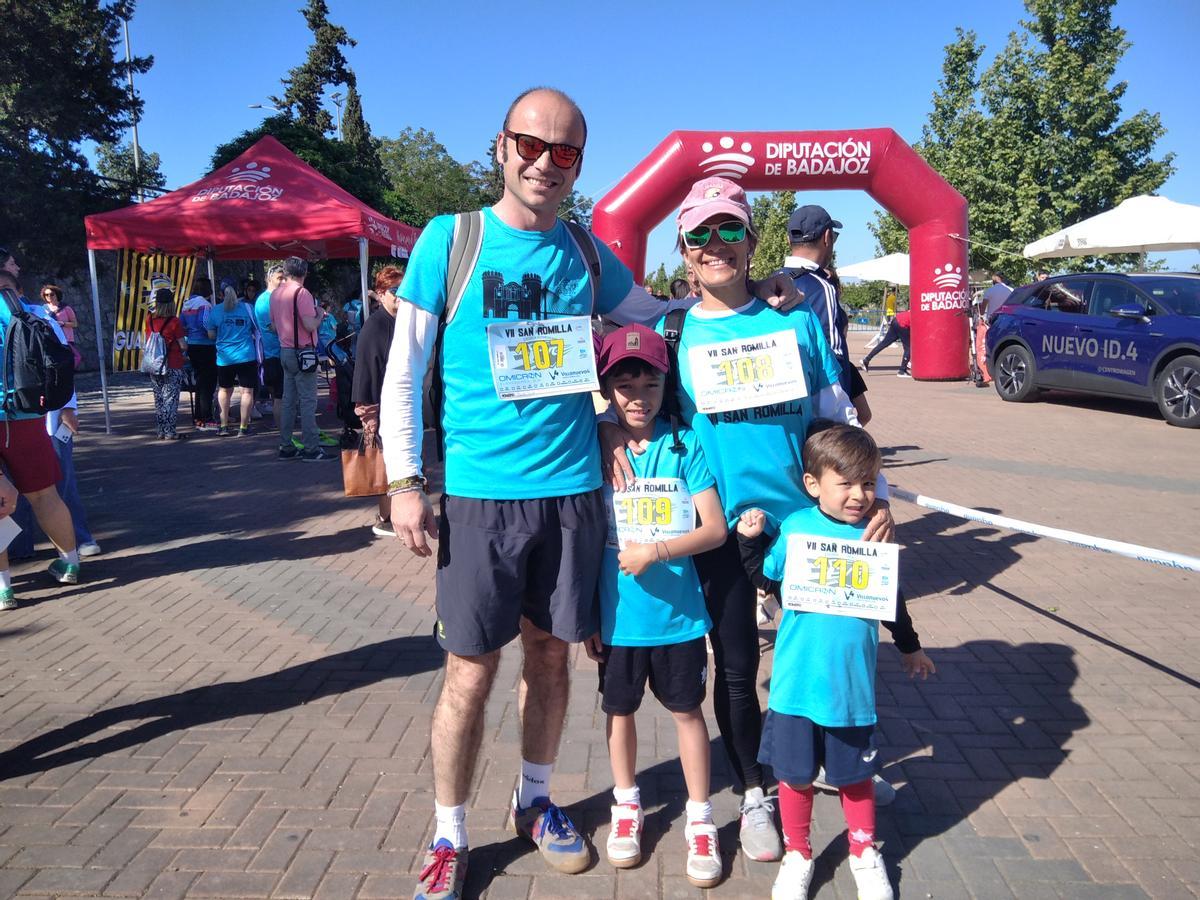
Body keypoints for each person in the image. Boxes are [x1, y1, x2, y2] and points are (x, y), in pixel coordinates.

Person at [379, 89, 800, 900]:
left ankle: (536, 800)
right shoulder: (450, 241)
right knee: (469, 671)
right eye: (531, 146)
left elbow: (656, 311)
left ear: (578, 166)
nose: (544, 162)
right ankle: (447, 829)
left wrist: (749, 292)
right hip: (481, 496)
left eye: (564, 152)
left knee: (550, 658)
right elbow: (406, 372)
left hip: (576, 493)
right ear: (501, 146)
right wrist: (404, 481)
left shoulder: (583, 251)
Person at [736, 424, 935, 900]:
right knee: (794, 777)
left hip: (851, 690)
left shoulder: (875, 534)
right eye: (845, 483)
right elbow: (765, 579)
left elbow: (892, 599)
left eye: (868, 482)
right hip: (794, 686)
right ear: (813, 485)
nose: (858, 494)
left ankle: (864, 852)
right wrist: (749, 540)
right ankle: (799, 854)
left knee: (855, 777)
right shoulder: (797, 529)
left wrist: (909, 645)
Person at [583, 324, 728, 886]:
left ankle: (701, 818)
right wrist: (589, 614)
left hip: (678, 616)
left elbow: (715, 528)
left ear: (667, 383)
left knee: (688, 712)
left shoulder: (684, 444)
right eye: (623, 383)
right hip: (617, 617)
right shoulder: (592, 441)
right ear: (606, 388)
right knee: (619, 714)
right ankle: (626, 807)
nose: (637, 395)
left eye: (650, 381)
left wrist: (656, 551)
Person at [0, 268, 81, 609]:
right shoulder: (33, 314)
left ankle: (4, 588)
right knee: (45, 495)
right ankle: (70, 563)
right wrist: (67, 408)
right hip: (26, 415)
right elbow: (60, 362)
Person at [779, 205, 872, 425]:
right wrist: (843, 419)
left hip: (786, 403)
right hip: (822, 409)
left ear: (787, 240)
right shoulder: (822, 286)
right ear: (828, 237)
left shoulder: (771, 281)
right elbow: (832, 355)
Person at [352, 266, 402, 538]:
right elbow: (367, 370)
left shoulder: (397, 320)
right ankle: (386, 516)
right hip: (377, 401)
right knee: (384, 460)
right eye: (394, 291)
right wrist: (370, 411)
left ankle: (388, 514)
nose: (399, 296)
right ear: (381, 293)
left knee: (391, 458)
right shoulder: (375, 325)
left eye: (402, 291)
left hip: (393, 400)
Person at [270, 256, 333, 461]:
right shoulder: (302, 293)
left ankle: (286, 445)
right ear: (304, 273)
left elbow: (272, 326)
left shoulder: (275, 294)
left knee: (288, 400)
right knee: (307, 401)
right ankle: (311, 448)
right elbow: (309, 325)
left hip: (285, 351)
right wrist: (320, 313)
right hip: (303, 352)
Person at [206, 285, 258, 437]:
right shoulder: (248, 308)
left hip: (224, 357)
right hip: (246, 355)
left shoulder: (215, 310)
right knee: (247, 391)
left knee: (224, 390)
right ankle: (243, 427)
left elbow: (210, 335)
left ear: (221, 295)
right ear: (239, 293)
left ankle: (223, 426)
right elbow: (256, 330)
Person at [145, 287, 188, 439]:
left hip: (154, 364)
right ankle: (170, 431)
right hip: (172, 363)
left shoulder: (149, 319)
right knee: (170, 399)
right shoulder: (174, 321)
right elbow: (183, 345)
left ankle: (161, 430)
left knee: (159, 399)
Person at [181, 277, 217, 430]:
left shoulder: (186, 305)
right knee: (207, 385)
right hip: (206, 346)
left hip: (192, 345)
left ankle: (198, 417)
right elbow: (205, 323)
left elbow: (182, 325)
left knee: (200, 383)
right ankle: (206, 418)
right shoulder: (205, 305)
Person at [254, 266, 286, 432]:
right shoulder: (265, 300)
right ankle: (284, 436)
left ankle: (284, 430)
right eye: (279, 278)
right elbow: (273, 327)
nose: (283, 281)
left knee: (281, 396)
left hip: (278, 353)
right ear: (269, 279)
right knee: (279, 397)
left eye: (284, 278)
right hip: (274, 354)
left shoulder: (275, 298)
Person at [860, 305, 911, 376]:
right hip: (902, 324)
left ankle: (866, 360)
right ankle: (902, 370)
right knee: (909, 348)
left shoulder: (917, 310)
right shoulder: (921, 315)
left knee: (884, 343)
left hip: (896, 320)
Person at [41, 284, 80, 367]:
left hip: (66, 340)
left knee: (71, 359)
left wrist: (63, 323)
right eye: (46, 295)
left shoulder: (66, 308)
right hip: (52, 339)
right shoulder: (43, 309)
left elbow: (75, 324)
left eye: (51, 294)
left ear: (56, 294)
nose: (49, 296)